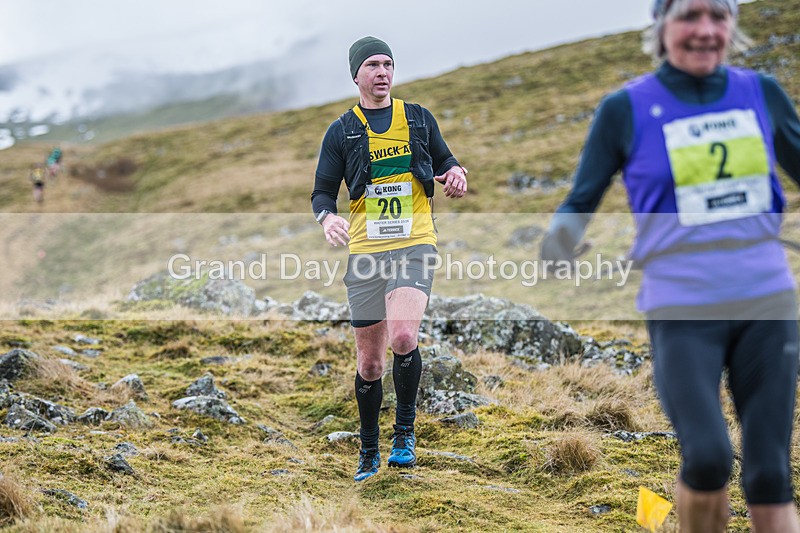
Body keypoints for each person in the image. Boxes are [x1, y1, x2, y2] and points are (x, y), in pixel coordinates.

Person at [541, 0, 800, 531]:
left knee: (770, 473)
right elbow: (582, 196)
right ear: (661, 27)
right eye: (689, 15)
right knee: (707, 457)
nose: (705, 30)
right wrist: (558, 241)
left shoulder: (761, 94)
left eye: (718, 16)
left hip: (767, 301)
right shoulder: (626, 108)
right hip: (683, 306)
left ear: (732, 25)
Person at [311, 36, 467, 481]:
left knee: (402, 336)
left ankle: (403, 435)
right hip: (365, 253)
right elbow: (322, 191)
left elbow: (448, 161)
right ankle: (367, 451)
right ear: (356, 75)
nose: (382, 72)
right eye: (372, 65)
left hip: (415, 243)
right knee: (371, 364)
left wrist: (455, 174)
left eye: (387, 64)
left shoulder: (417, 118)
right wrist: (327, 219)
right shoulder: (341, 130)